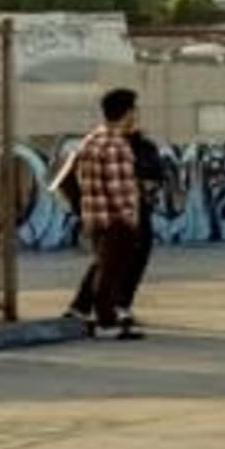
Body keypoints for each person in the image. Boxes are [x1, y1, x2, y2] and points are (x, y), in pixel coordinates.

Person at [63, 87, 154, 339]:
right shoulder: (117, 145)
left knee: (103, 266)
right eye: (134, 111)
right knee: (111, 273)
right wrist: (131, 219)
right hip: (115, 220)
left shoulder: (92, 138)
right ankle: (106, 322)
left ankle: (85, 310)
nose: (136, 116)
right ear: (126, 113)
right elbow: (120, 189)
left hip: (95, 216)